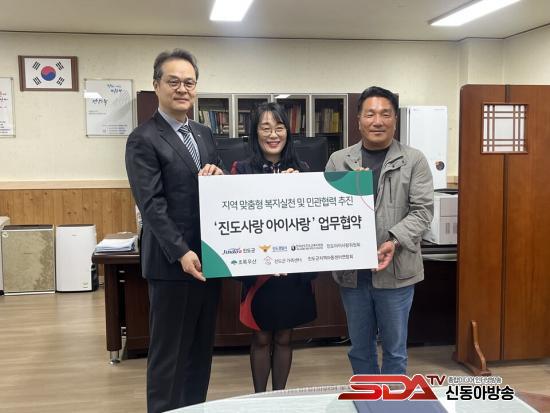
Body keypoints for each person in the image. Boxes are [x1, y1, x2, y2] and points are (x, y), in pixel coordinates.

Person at [125, 49, 224, 412]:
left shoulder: (204, 133)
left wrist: (219, 175)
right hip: (173, 264)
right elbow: (151, 205)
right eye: (174, 82)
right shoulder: (143, 138)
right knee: (169, 357)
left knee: (200, 352)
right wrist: (182, 251)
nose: (183, 89)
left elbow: (215, 190)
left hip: (209, 261)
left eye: (189, 82)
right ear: (157, 85)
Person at [325, 86, 433, 375]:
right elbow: (328, 212)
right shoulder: (339, 160)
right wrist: (351, 191)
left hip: (397, 271)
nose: (377, 121)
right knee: (360, 349)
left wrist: (394, 241)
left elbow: (423, 211)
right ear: (358, 120)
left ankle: (392, 398)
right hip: (353, 274)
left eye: (385, 114)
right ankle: (368, 397)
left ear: (395, 120)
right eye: (370, 114)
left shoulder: (414, 160)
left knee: (395, 350)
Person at [231, 102, 317, 392]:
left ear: (287, 132)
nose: (273, 134)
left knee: (284, 337)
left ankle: (279, 398)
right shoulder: (241, 170)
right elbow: (236, 219)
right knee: (261, 337)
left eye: (279, 127)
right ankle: (259, 399)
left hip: (292, 270)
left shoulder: (303, 170)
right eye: (265, 128)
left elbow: (311, 222)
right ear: (255, 133)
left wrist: (298, 187)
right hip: (259, 270)